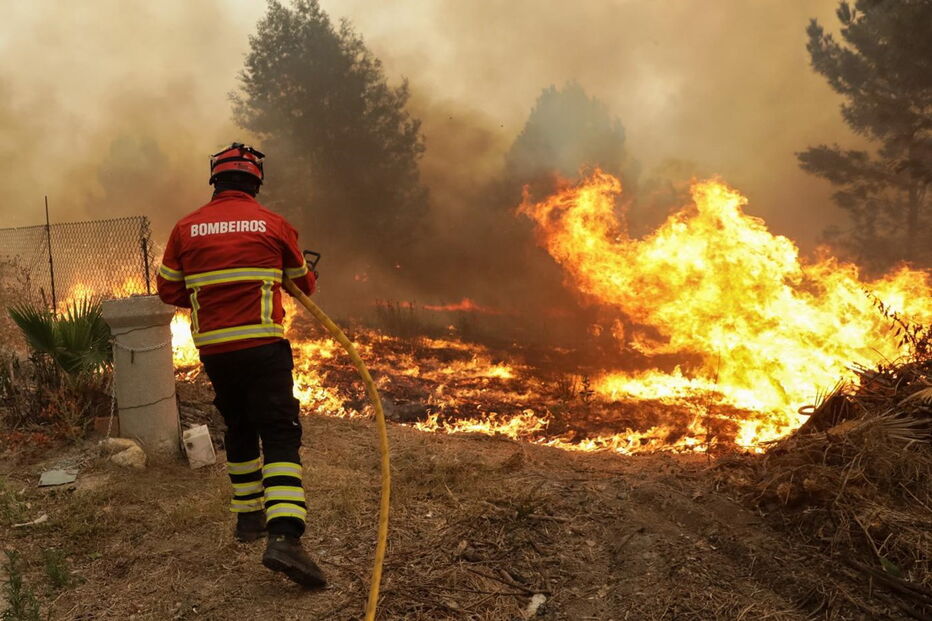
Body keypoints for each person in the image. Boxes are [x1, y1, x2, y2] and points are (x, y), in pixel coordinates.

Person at [156, 142, 326, 589]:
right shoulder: (273, 225)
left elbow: (168, 291)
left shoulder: (185, 229)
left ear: (215, 181)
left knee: (239, 427)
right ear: (255, 182)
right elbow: (302, 283)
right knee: (279, 432)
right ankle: (286, 536)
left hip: (215, 350)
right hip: (262, 346)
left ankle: (248, 519)